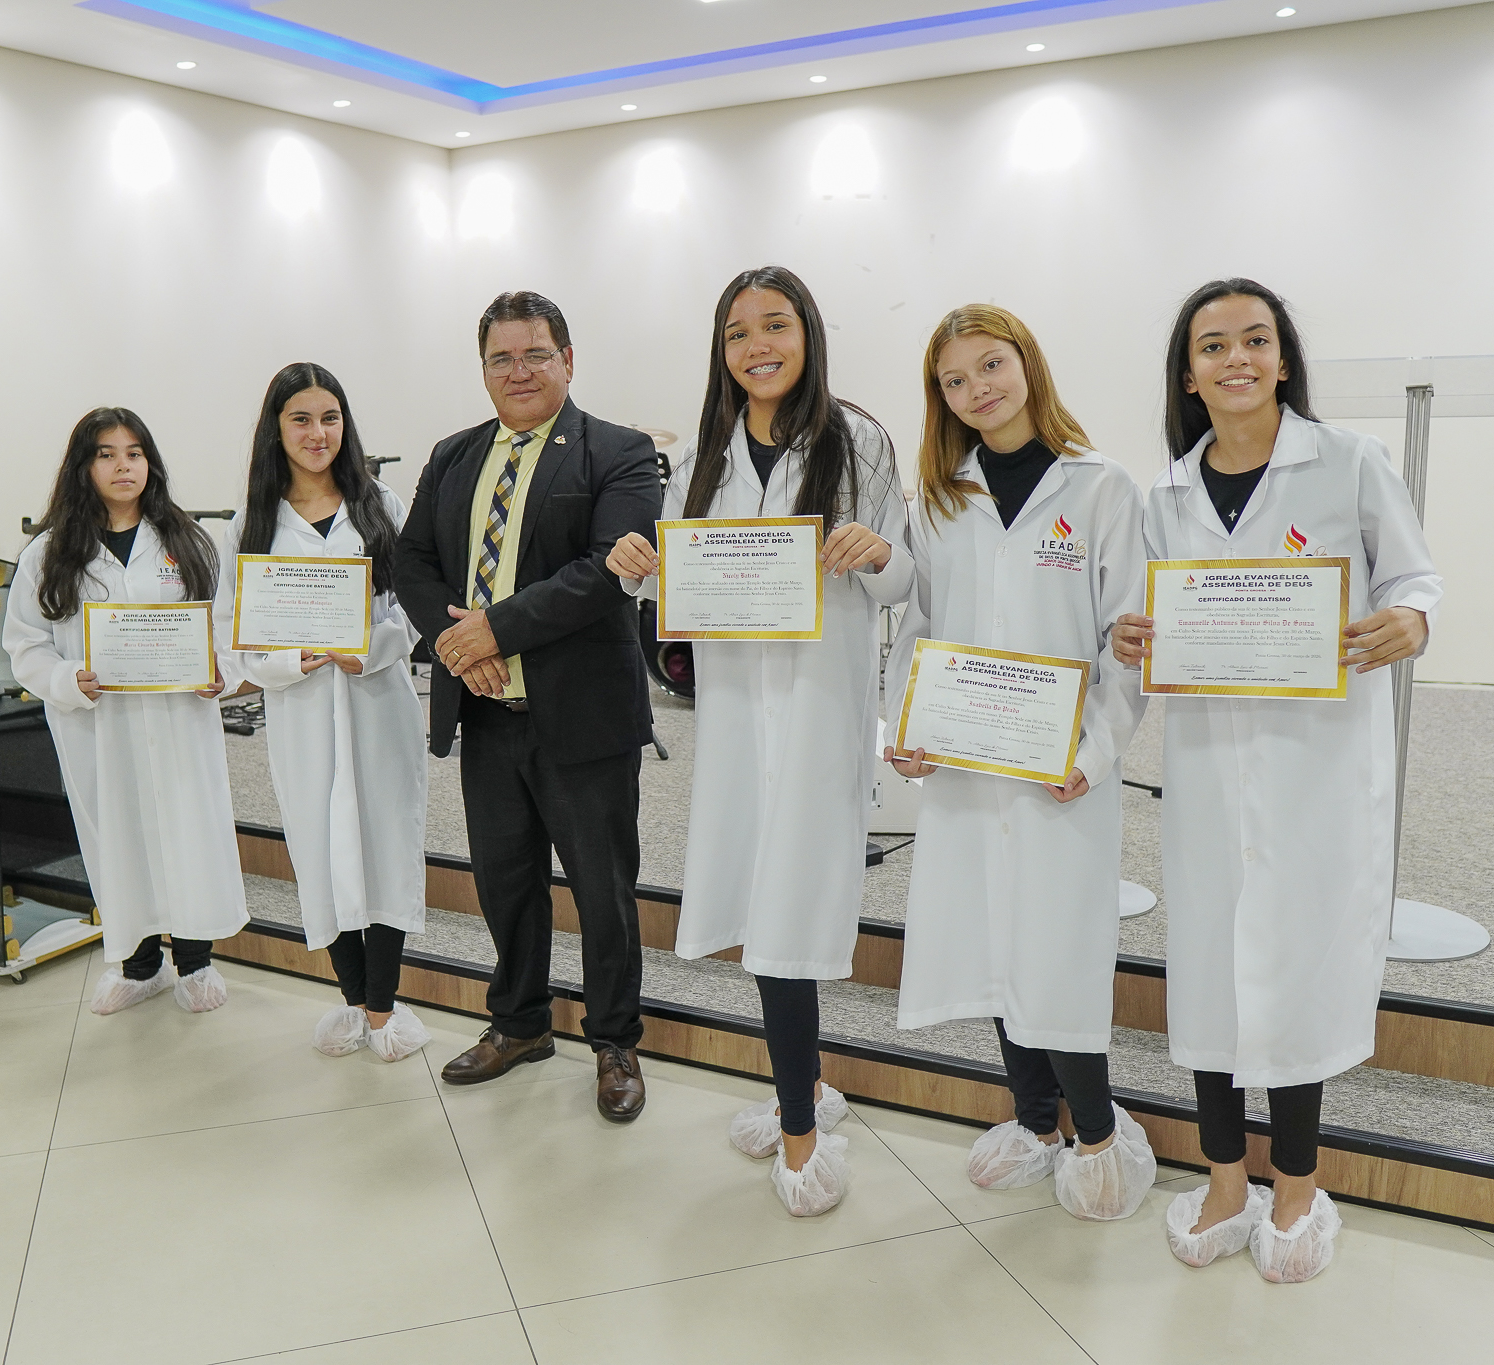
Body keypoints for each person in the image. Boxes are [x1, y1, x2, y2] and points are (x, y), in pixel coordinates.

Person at [1112, 279, 1440, 1282]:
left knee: (1297, 970)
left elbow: (1412, 579)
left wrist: (1411, 619)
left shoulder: (1349, 461)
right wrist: (1132, 636)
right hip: (1208, 771)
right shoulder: (1166, 494)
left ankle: (1295, 1187)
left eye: (1254, 340)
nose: (1236, 360)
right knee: (1209, 971)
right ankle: (1224, 1181)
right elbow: (1147, 619)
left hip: (1314, 768)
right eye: (1212, 346)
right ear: (1188, 374)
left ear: (1282, 358)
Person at [606, 267, 910, 1215]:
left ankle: (802, 1129)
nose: (758, 346)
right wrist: (639, 567)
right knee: (765, 903)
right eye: (738, 333)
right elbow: (685, 581)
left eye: (775, 325)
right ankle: (801, 1085)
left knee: (791, 915)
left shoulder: (859, 439)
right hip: (739, 716)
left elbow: (904, 580)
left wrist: (878, 553)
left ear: (808, 333)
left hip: (818, 707)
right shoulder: (707, 451)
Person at [883, 304, 1156, 1221]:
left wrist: (1095, 751)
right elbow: (921, 623)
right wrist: (906, 725)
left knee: (1058, 948)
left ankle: (1098, 1133)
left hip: (1059, 770)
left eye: (991, 365)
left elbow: (1127, 640)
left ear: (1028, 363)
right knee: (995, 938)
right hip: (967, 763)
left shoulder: (1102, 488)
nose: (978, 390)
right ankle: (1036, 1121)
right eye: (954, 381)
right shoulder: (938, 497)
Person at [393, 291, 662, 1120]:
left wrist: (493, 632)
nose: (519, 371)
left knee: (603, 890)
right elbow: (411, 560)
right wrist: (460, 647)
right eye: (501, 358)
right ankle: (519, 1023)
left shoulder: (619, 451)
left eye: (535, 353)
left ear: (568, 360)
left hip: (583, 714)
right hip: (485, 713)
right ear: (483, 369)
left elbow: (604, 571)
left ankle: (614, 1040)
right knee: (504, 881)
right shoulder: (453, 454)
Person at [212, 363, 431, 1061]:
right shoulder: (252, 523)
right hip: (301, 713)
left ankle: (383, 1008)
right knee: (317, 849)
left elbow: (416, 606)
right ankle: (354, 1000)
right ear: (275, 430)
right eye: (300, 419)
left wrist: (373, 646)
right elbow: (231, 632)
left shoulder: (381, 505)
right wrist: (286, 661)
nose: (317, 433)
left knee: (387, 846)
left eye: (329, 418)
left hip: (378, 705)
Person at [4, 407, 247, 1015]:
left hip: (178, 721)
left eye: (134, 453)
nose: (123, 466)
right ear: (83, 466)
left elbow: (225, 626)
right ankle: (139, 968)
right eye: (107, 454)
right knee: (118, 841)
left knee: (187, 836)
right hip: (99, 727)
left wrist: (221, 671)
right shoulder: (48, 554)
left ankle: (195, 963)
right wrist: (67, 679)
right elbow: (25, 645)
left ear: (150, 464)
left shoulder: (189, 541)